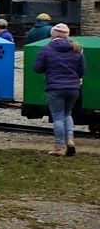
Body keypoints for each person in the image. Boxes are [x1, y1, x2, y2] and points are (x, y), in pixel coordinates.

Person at [33, 22, 86, 157]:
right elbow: (82, 71)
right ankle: (70, 140)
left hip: (55, 88)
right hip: (73, 88)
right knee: (68, 114)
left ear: (53, 35)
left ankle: (59, 147)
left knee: (58, 117)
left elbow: (37, 68)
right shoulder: (77, 49)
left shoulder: (46, 49)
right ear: (67, 35)